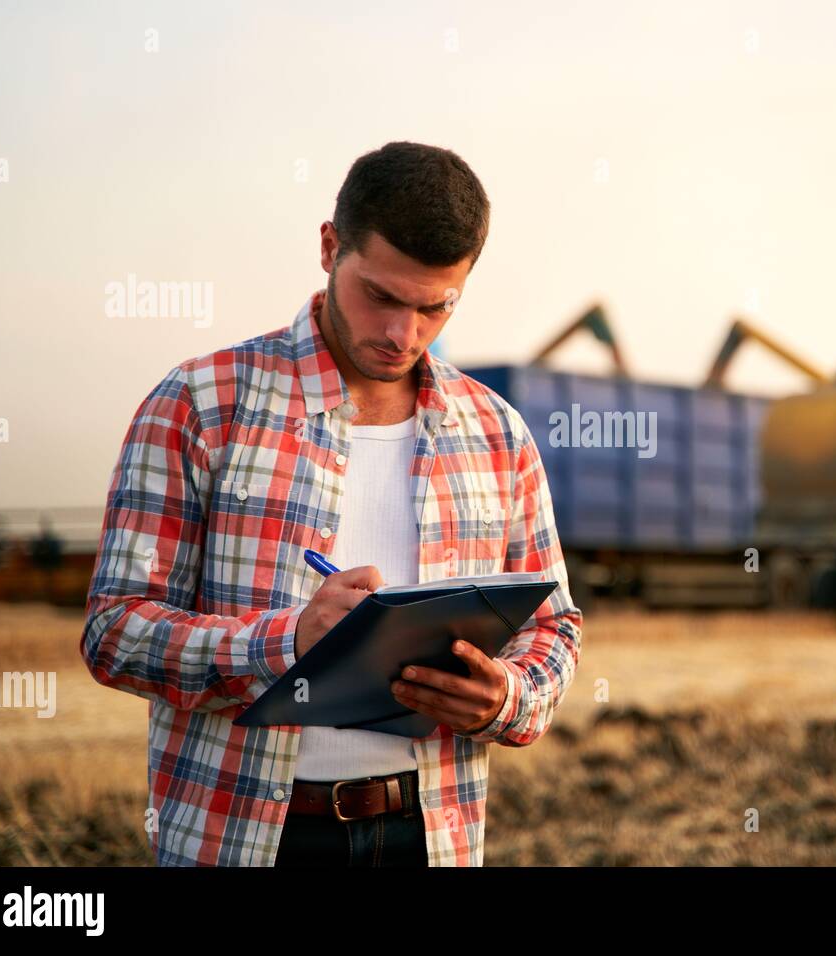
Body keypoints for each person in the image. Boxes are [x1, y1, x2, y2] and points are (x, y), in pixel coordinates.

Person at [81, 141, 583, 866]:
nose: (400, 334)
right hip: (242, 840)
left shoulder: (498, 433)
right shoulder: (199, 404)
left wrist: (507, 698)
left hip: (431, 836)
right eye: (380, 295)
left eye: (434, 307)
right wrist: (283, 644)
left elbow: (555, 626)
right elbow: (113, 632)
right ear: (328, 247)